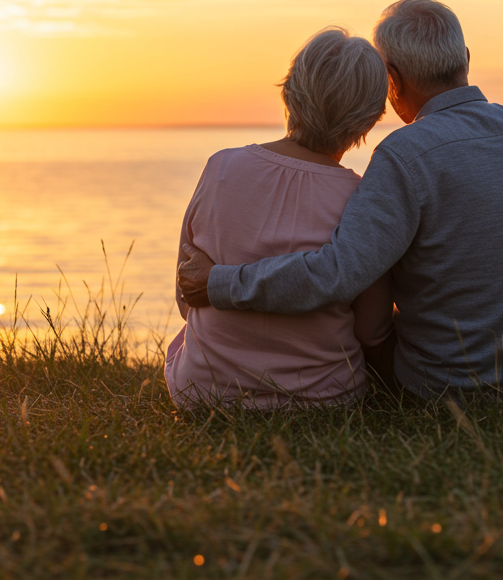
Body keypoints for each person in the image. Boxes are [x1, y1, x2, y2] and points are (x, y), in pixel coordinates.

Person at [179, 0, 503, 400]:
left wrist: (219, 283)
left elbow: (337, 274)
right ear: (465, 57)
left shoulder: (406, 152)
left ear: (392, 79)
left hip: (453, 387)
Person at [165, 27, 394, 409]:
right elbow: (372, 330)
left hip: (203, 393)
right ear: (370, 118)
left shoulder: (221, 167)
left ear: (289, 90)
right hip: (324, 398)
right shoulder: (361, 200)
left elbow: (186, 298)